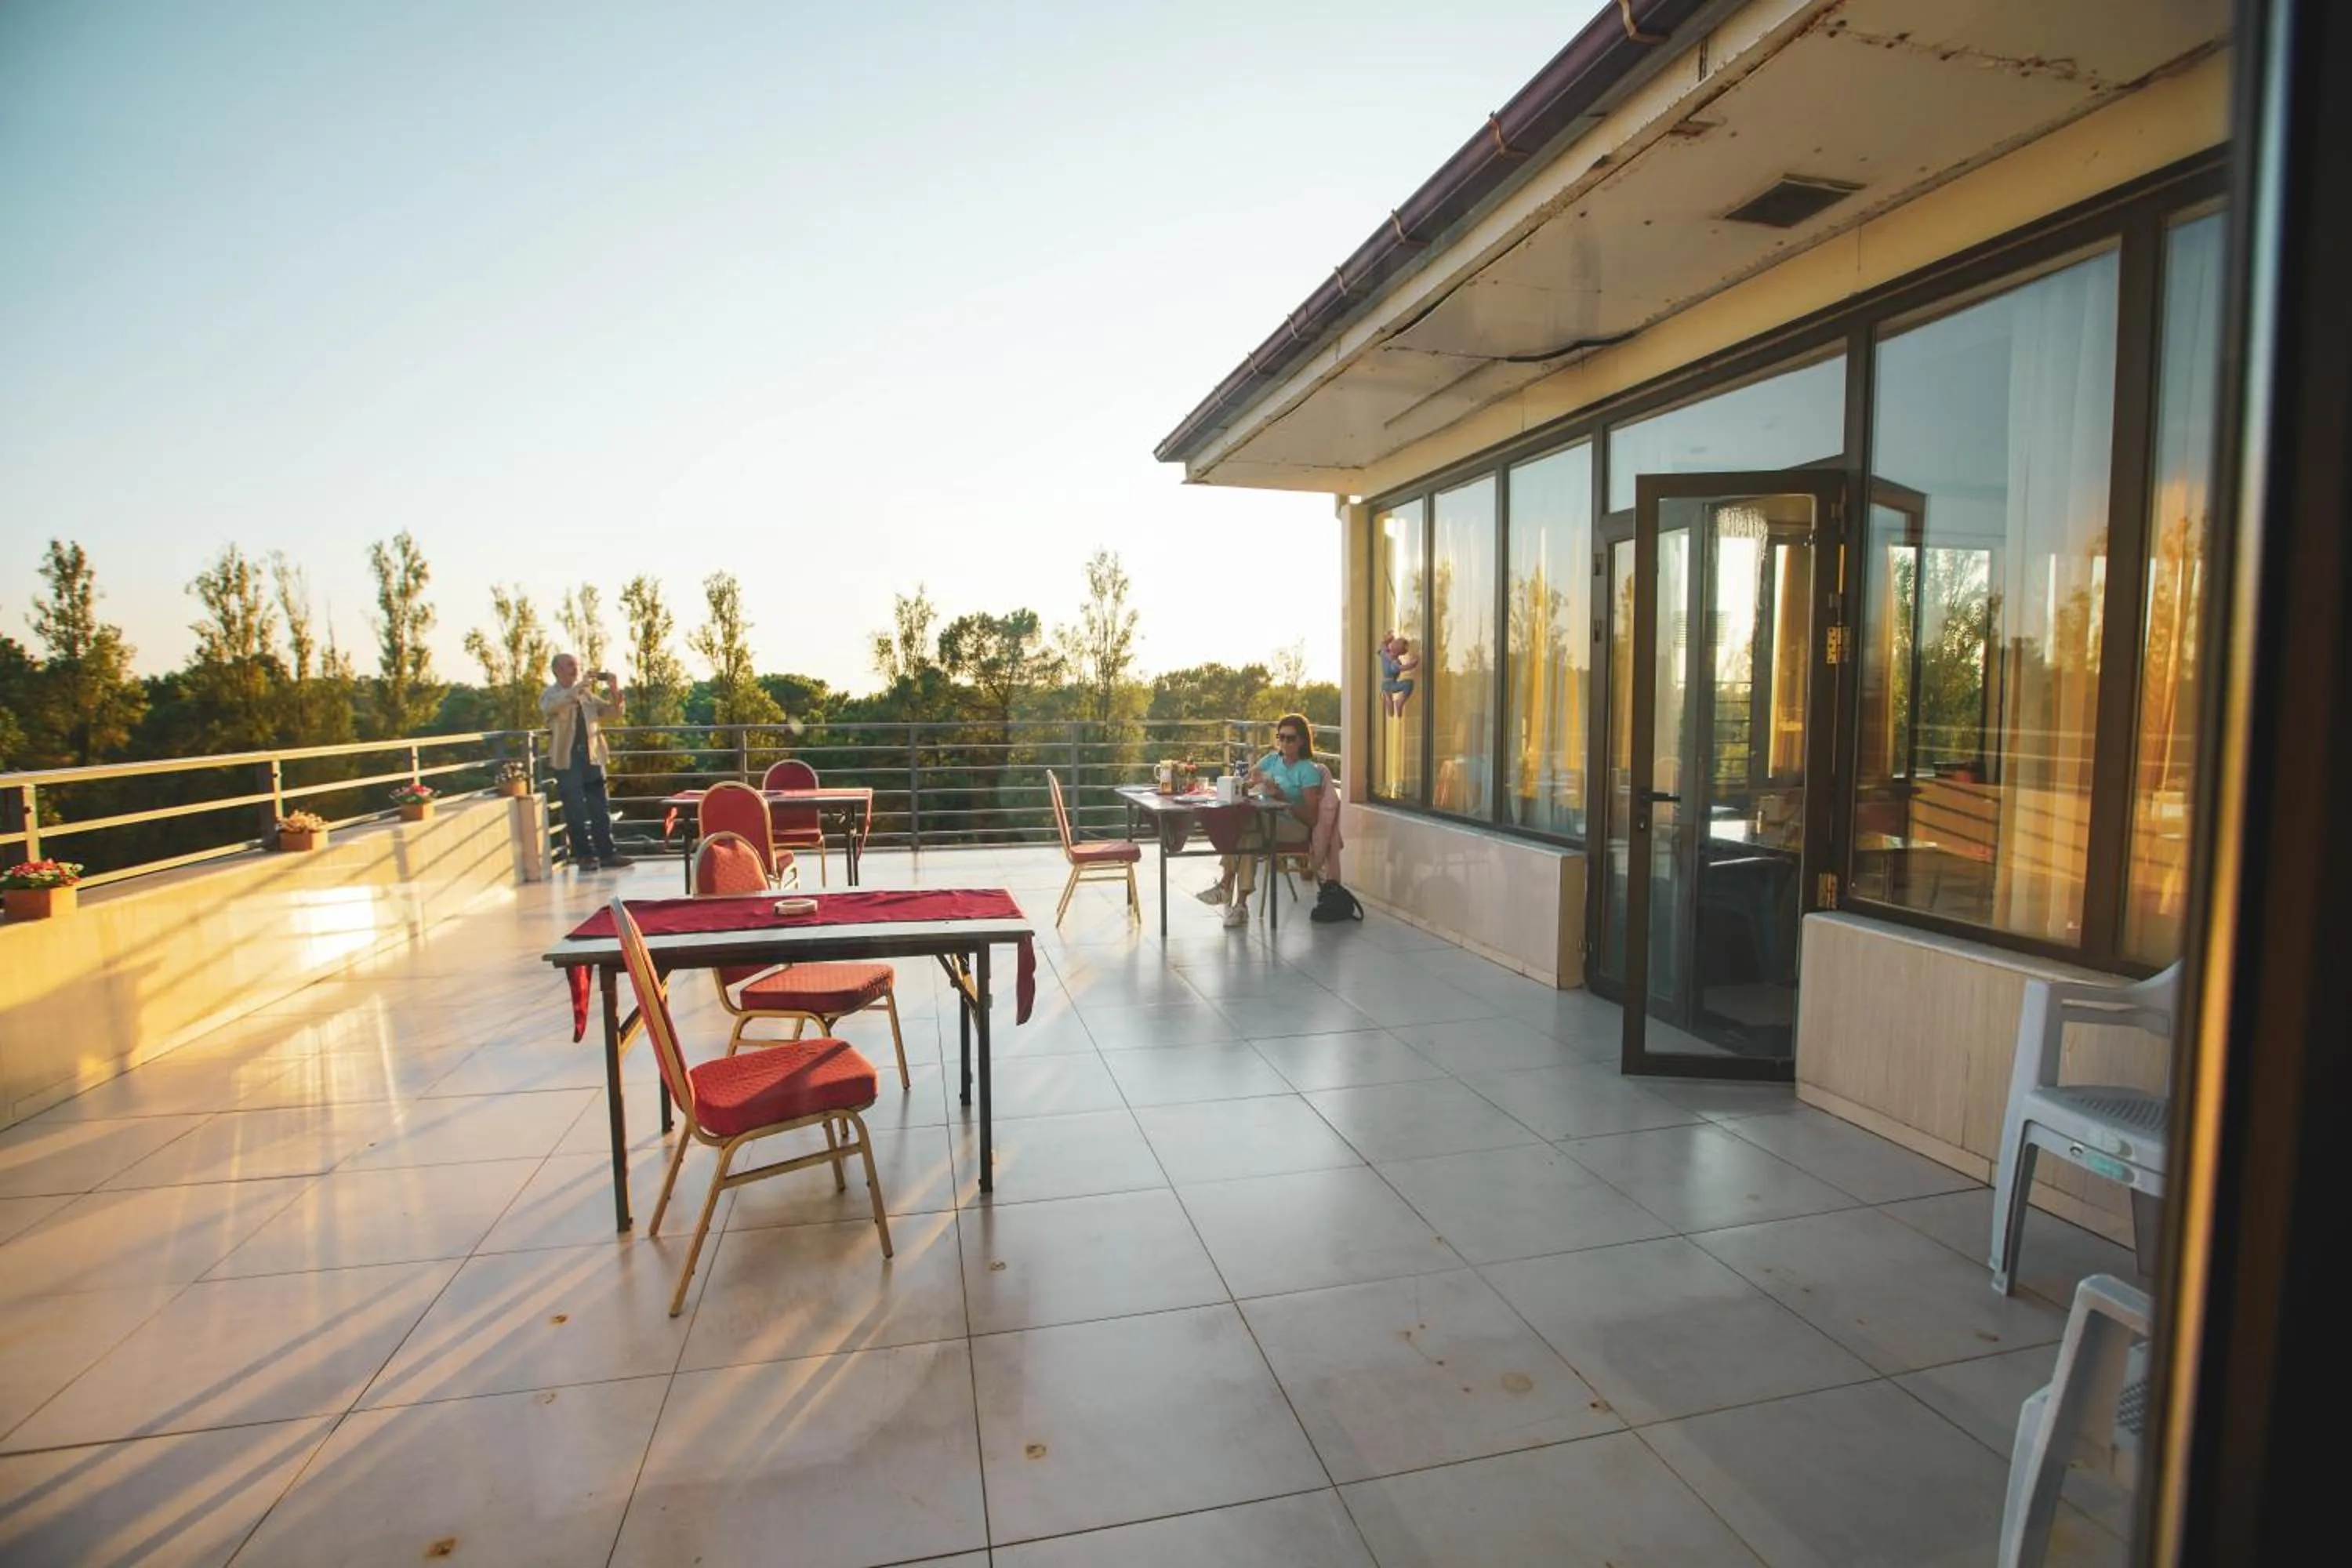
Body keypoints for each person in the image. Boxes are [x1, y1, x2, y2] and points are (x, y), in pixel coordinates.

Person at [1197, 713, 1323, 927]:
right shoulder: (1272, 760)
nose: (1284, 742)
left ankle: (1226, 885)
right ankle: (1241, 905)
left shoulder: (1308, 771)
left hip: (1293, 826)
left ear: (1302, 740)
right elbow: (1248, 779)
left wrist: (1281, 796)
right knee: (1248, 833)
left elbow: (1311, 818)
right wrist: (1244, 785)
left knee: (1247, 824)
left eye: (1290, 738)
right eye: (1280, 737)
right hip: (1265, 821)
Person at [540, 652, 632, 870]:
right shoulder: (551, 695)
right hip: (567, 759)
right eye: (570, 665)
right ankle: (584, 857)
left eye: (576, 665)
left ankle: (608, 854)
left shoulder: (586, 695)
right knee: (574, 810)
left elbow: (614, 713)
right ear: (557, 670)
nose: (575, 668)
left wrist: (614, 689)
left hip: (591, 757)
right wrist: (578, 687)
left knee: (600, 807)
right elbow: (550, 709)